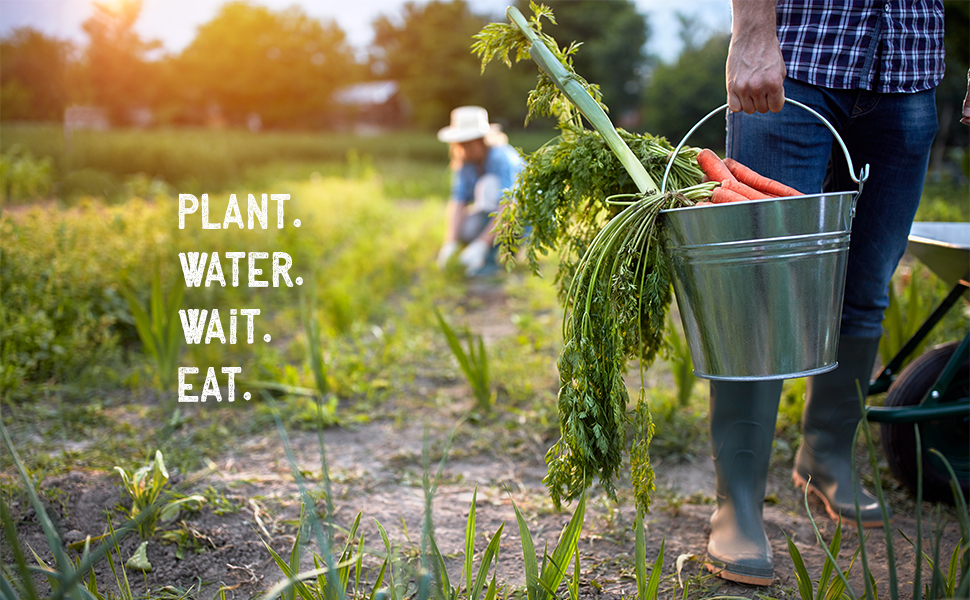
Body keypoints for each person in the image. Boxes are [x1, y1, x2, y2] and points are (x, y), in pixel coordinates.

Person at [707, 0, 955, 586]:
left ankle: (826, 454)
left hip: (908, 67)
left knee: (866, 285)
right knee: (757, 286)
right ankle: (737, 503)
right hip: (798, 58)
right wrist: (751, 32)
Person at [436, 106, 522, 277]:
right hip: (493, 216)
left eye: (469, 143)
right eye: (461, 144)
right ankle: (477, 251)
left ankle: (496, 254)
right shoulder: (466, 163)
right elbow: (458, 201)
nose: (464, 148)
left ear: (482, 140)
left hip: (522, 219)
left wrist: (481, 243)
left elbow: (509, 205)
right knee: (465, 228)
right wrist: (449, 242)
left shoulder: (501, 157)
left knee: (488, 186)